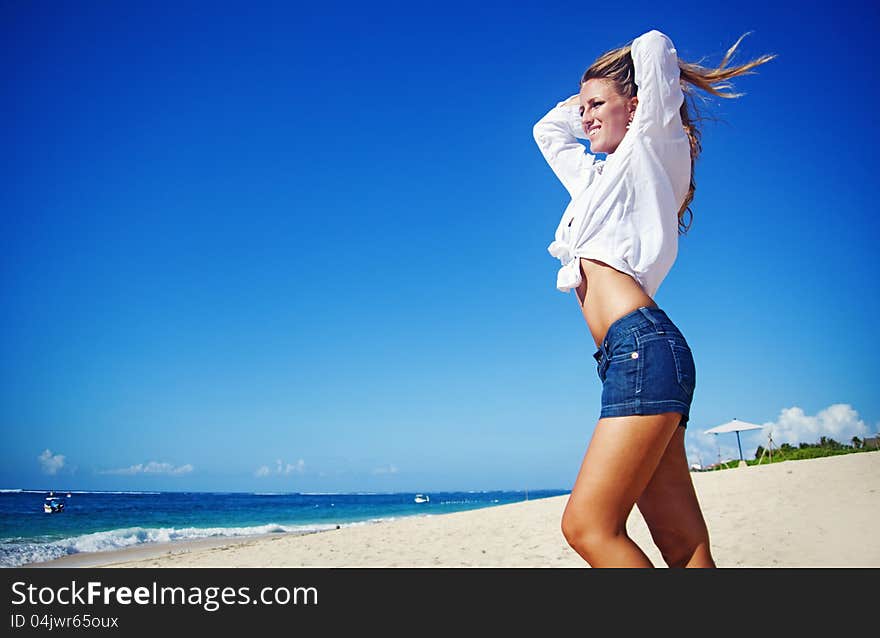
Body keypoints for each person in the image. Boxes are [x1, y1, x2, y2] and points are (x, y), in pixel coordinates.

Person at [532, 29, 774, 567]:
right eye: (583, 106)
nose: (585, 115)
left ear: (638, 105)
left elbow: (655, 47)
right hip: (629, 356)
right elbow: (547, 131)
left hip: (643, 349)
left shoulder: (655, 147)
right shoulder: (597, 179)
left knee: (588, 526)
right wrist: (593, 104)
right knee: (681, 545)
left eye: (597, 105)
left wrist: (624, 87)